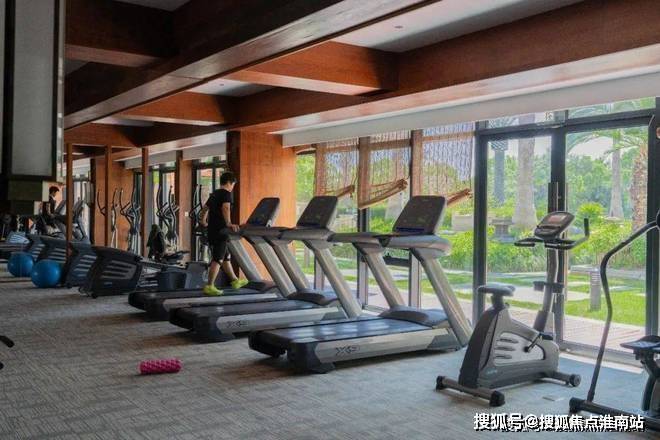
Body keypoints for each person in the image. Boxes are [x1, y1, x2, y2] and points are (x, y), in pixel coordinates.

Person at [199, 172, 247, 296]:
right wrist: (229, 223)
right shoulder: (226, 194)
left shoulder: (215, 193)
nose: (232, 187)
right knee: (218, 259)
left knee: (225, 257)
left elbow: (205, 208)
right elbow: (225, 208)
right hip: (221, 231)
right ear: (230, 182)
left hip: (212, 230)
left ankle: (235, 280)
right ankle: (209, 285)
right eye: (233, 185)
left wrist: (203, 220)